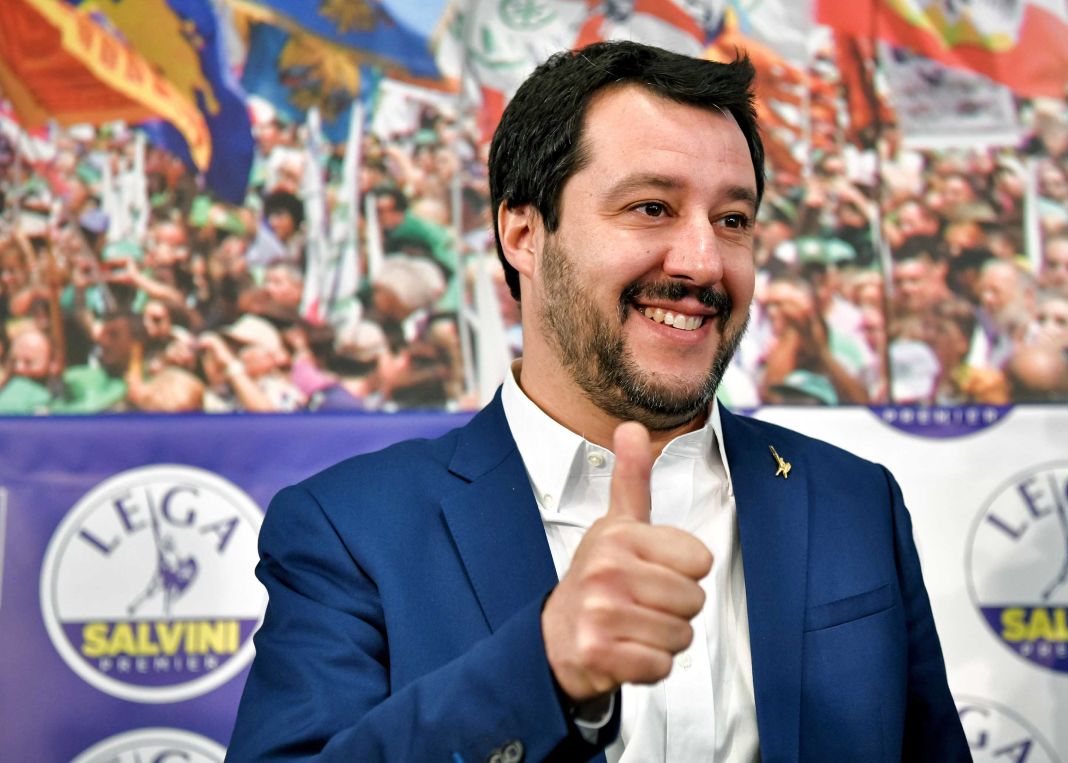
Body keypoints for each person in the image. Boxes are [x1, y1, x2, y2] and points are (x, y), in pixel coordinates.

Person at [228, 41, 968, 762]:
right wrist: (542, 667)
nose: (703, 261)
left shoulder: (853, 501)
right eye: (652, 207)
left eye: (732, 219)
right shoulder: (350, 529)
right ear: (522, 233)